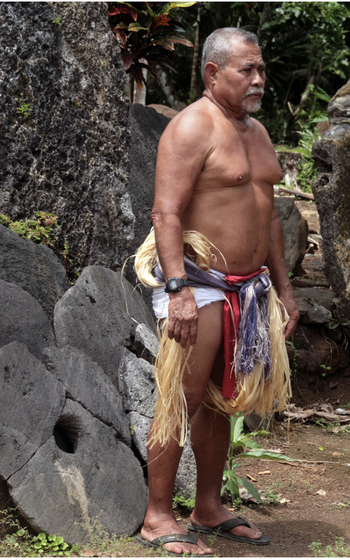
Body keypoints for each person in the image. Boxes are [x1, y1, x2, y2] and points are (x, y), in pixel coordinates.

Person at [135, 27, 300, 556]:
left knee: (221, 401)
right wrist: (178, 289)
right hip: (200, 284)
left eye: (260, 69)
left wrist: (285, 290)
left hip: (250, 291)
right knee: (180, 399)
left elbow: (267, 215)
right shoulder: (190, 128)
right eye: (246, 70)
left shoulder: (257, 131)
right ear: (212, 73)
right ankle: (158, 517)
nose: (258, 79)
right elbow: (166, 211)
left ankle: (207, 507)